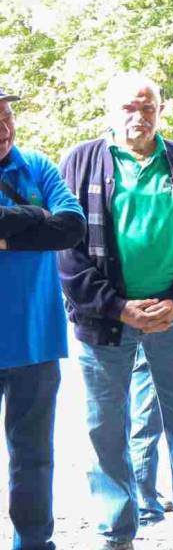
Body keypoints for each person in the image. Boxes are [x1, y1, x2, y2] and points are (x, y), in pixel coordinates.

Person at [59, 72, 173, 549]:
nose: (139, 116)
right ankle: (116, 531)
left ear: (159, 109)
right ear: (111, 112)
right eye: (129, 108)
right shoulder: (80, 162)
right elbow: (67, 254)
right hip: (105, 322)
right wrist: (118, 308)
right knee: (104, 430)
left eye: (148, 106)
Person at [0, 88, 85, 550]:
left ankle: (33, 543)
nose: (3, 127)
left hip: (35, 341)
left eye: (7, 115)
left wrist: (12, 232)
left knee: (33, 459)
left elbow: (71, 227)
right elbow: (49, 225)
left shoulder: (38, 166)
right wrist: (35, 216)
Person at [129, 350, 173, 527]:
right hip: (146, 337)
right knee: (145, 424)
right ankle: (144, 504)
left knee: (140, 422)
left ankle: (143, 500)